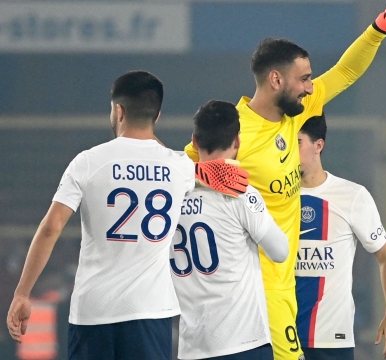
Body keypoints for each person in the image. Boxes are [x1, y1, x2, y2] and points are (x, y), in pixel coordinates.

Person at [183, 1, 386, 359]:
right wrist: (199, 172)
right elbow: (174, 166)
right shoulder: (236, 131)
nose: (309, 87)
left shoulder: (297, 113)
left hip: (285, 286)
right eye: (302, 78)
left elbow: (346, 72)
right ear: (276, 80)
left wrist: (378, 27)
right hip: (257, 290)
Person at [6, 71, 243, 360]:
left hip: (93, 312)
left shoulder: (88, 162)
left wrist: (22, 293)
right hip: (151, 311)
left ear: (118, 110)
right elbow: (231, 177)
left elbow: (51, 228)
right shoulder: (180, 167)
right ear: (157, 115)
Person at [170, 100, 289, 360]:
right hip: (243, 343)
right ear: (237, 141)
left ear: (195, 140)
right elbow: (280, 251)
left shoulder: (170, 194)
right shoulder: (240, 193)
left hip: (192, 348)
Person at [294, 114, 386, 360]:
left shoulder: (352, 195)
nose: (288, 149)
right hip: (280, 335)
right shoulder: (272, 196)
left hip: (332, 338)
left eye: (297, 141)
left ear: (318, 145)